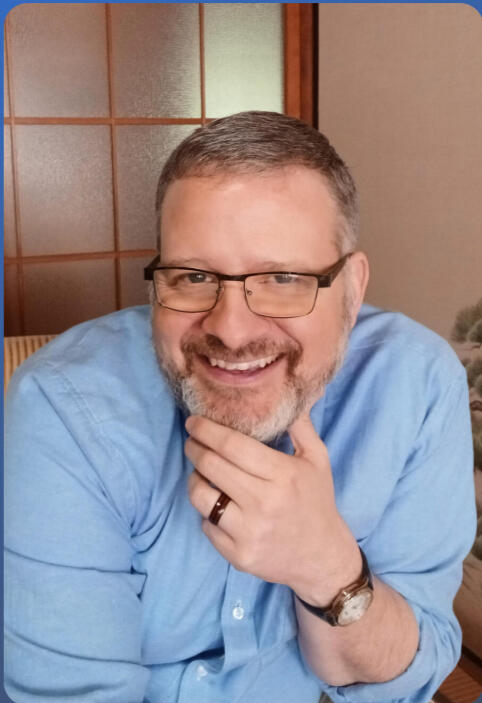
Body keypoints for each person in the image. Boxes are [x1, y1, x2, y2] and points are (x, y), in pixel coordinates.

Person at [4, 111, 475, 703]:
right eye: (193, 276)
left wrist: (327, 568)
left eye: (283, 277)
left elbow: (404, 678)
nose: (230, 329)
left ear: (352, 291)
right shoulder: (65, 408)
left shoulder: (416, 384)